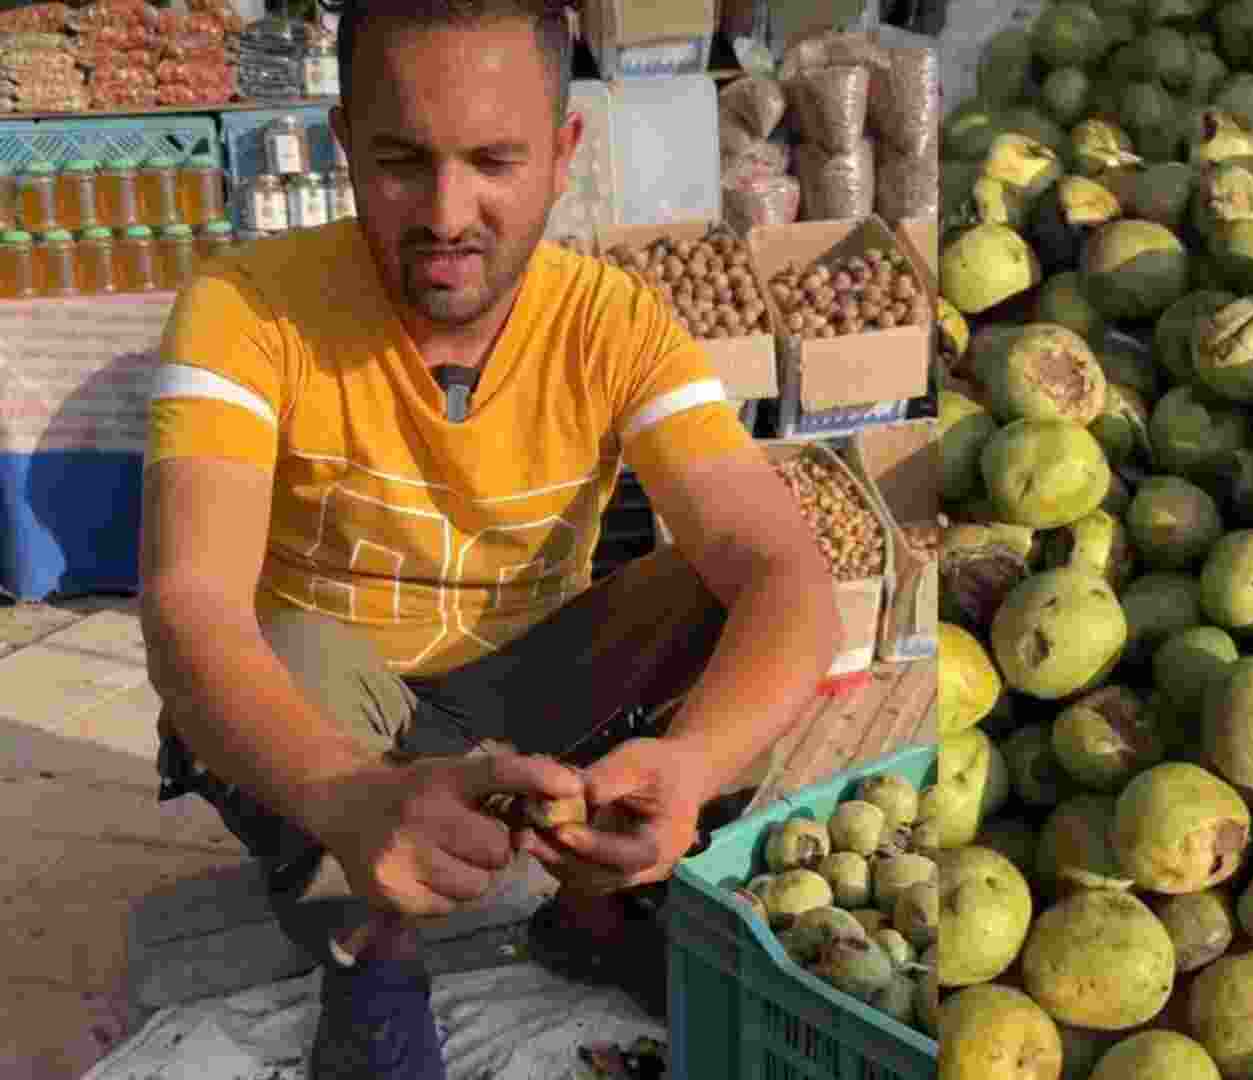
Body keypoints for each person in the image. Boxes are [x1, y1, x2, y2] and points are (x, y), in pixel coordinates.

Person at [137, 1, 842, 1075]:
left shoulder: (616, 322)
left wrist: (693, 765)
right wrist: (353, 798)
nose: (447, 211)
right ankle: (369, 964)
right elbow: (187, 605)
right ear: (342, 146)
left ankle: (608, 909)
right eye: (402, 162)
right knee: (283, 647)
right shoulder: (246, 311)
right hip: (343, 714)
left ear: (564, 155)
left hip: (529, 699)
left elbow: (787, 570)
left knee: (718, 588)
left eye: (495, 160)